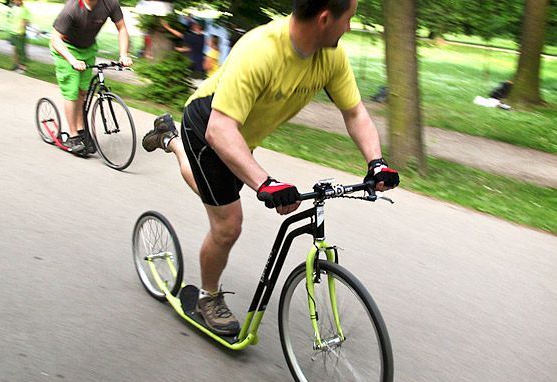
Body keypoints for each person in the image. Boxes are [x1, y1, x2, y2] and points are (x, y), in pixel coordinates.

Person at [142, 0, 399, 336]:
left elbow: (354, 113)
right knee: (227, 225)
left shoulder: (331, 56)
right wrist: (266, 182)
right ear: (324, 19)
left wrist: (375, 163)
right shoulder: (260, 50)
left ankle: (169, 140)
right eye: (348, 19)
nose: (349, 27)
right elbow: (219, 130)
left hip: (241, 134)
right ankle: (208, 299)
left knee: (215, 192)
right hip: (210, 125)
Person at [50, 0, 133, 153]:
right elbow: (55, 38)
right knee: (72, 92)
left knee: (83, 91)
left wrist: (123, 55)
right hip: (66, 49)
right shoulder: (72, 8)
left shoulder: (110, 3)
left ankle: (82, 130)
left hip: (87, 49)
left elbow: (122, 28)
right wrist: (72, 60)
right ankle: (73, 136)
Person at [8, 0, 30, 73]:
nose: (14, 1)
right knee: (14, 50)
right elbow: (11, 18)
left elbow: (26, 22)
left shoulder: (25, 10)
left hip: (20, 34)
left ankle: (23, 68)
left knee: (21, 51)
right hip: (13, 32)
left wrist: (24, 25)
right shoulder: (14, 8)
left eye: (15, 0)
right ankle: (16, 65)